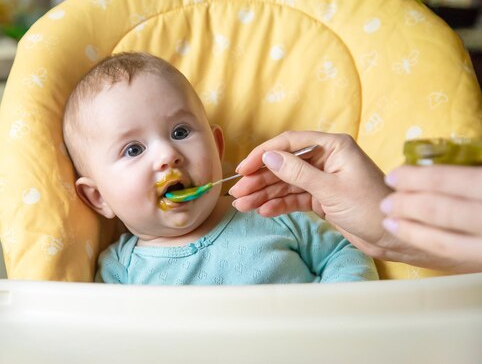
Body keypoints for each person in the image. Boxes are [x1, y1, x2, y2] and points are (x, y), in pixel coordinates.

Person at [63, 52, 378, 284]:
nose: (167, 155)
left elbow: (344, 253)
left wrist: (338, 317)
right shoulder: (120, 271)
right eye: (133, 149)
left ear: (216, 147)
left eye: (180, 132)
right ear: (98, 197)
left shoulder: (275, 211)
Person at [229, 130, 482, 273]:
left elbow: (343, 256)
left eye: (186, 132)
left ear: (216, 143)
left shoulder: (283, 221)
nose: (185, 160)